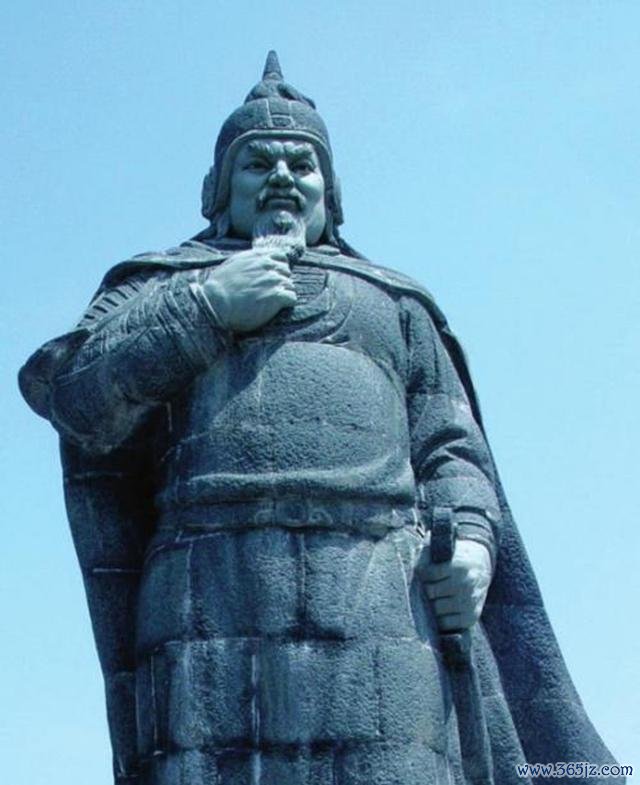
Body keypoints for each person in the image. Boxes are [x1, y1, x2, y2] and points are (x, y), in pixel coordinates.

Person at [19, 52, 619, 785]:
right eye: (257, 162)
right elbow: (75, 397)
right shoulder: (159, 286)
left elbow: (451, 447)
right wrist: (206, 306)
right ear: (218, 191)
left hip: (382, 593)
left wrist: (471, 540)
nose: (281, 176)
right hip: (205, 588)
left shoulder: (395, 303)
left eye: (302, 164)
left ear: (330, 195)